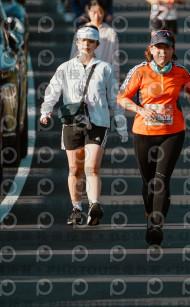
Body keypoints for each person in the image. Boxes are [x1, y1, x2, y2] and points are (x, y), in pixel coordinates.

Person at [117, 30, 190, 246]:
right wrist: (140, 110)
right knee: (149, 183)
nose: (163, 52)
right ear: (151, 50)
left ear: (173, 50)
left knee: (161, 180)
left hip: (172, 133)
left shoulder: (181, 71)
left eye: (167, 48)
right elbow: (122, 98)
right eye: (159, 47)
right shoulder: (139, 71)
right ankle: (150, 214)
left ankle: (156, 225)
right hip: (144, 133)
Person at [40, 26, 128, 226]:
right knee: (75, 169)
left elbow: (115, 98)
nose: (86, 45)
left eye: (91, 42)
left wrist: (121, 124)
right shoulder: (65, 68)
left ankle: (94, 205)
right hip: (72, 122)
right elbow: (53, 91)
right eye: (83, 41)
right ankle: (76, 208)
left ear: (97, 44)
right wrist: (46, 111)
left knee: (92, 167)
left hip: (98, 122)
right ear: (77, 43)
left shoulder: (105, 68)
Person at [70, 0, 120, 83]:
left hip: (103, 77)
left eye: (100, 12)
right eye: (93, 12)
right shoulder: (81, 32)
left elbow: (115, 58)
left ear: (104, 12)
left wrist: (115, 81)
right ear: (88, 12)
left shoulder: (110, 33)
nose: (96, 16)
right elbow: (73, 54)